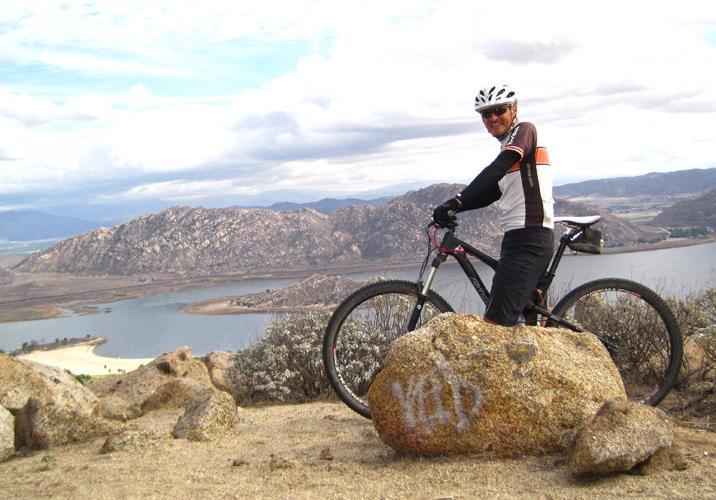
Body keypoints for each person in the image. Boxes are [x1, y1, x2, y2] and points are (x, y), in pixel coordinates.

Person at [432, 84, 554, 326]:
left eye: (498, 110)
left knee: (496, 322)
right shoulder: (509, 145)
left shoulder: (525, 131)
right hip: (517, 236)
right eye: (486, 114)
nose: (493, 118)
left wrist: (458, 198)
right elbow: (490, 194)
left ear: (514, 109)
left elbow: (496, 169)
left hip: (530, 236)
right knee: (516, 319)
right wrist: (453, 208)